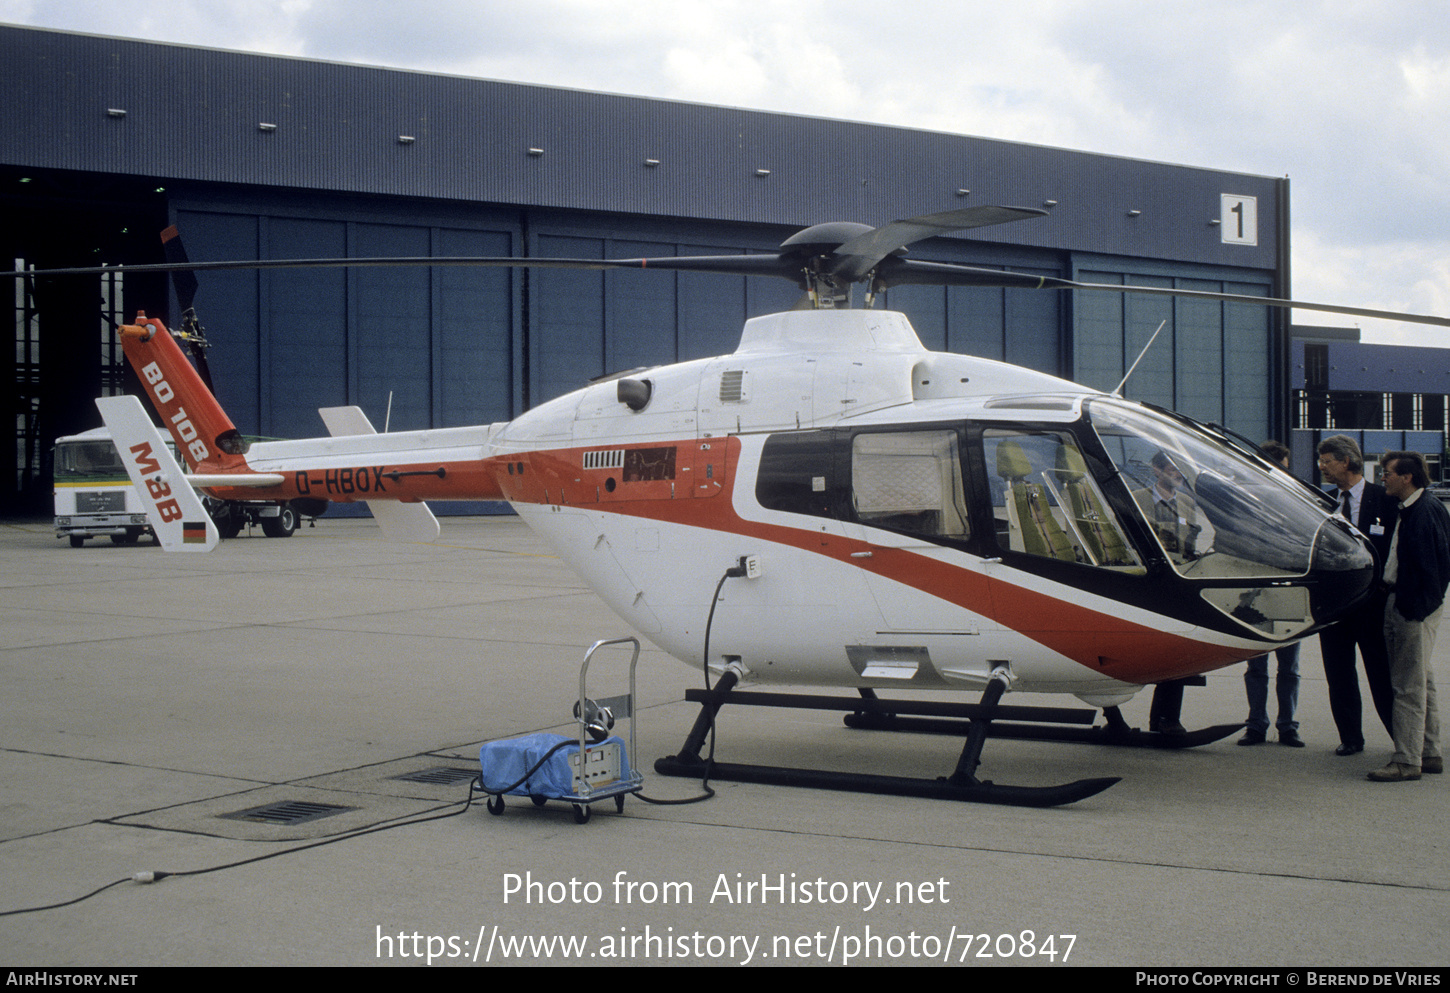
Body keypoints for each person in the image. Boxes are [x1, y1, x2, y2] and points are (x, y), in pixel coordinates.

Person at [1315, 435, 1397, 755]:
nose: (1322, 467)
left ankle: (1400, 739)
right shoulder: (1324, 503)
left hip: (1372, 606)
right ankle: (1350, 737)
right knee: (1339, 674)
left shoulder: (1384, 499)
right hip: (1336, 608)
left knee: (1381, 675)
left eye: (1326, 461)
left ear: (1345, 462)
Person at [1368, 451, 1446, 782]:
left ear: (1407, 477)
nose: (1382, 477)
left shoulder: (1425, 512)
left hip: (1411, 607)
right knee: (1421, 681)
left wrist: (1414, 608)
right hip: (1404, 602)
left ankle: (1406, 760)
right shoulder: (1411, 508)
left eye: (1387, 473)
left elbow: (1437, 568)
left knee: (1406, 686)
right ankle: (1428, 752)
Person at [1239, 441, 1302, 746]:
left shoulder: (1297, 499)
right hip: (1257, 590)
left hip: (1289, 590)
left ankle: (1287, 724)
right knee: (1257, 665)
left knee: (1288, 666)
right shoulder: (1243, 499)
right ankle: (1257, 724)